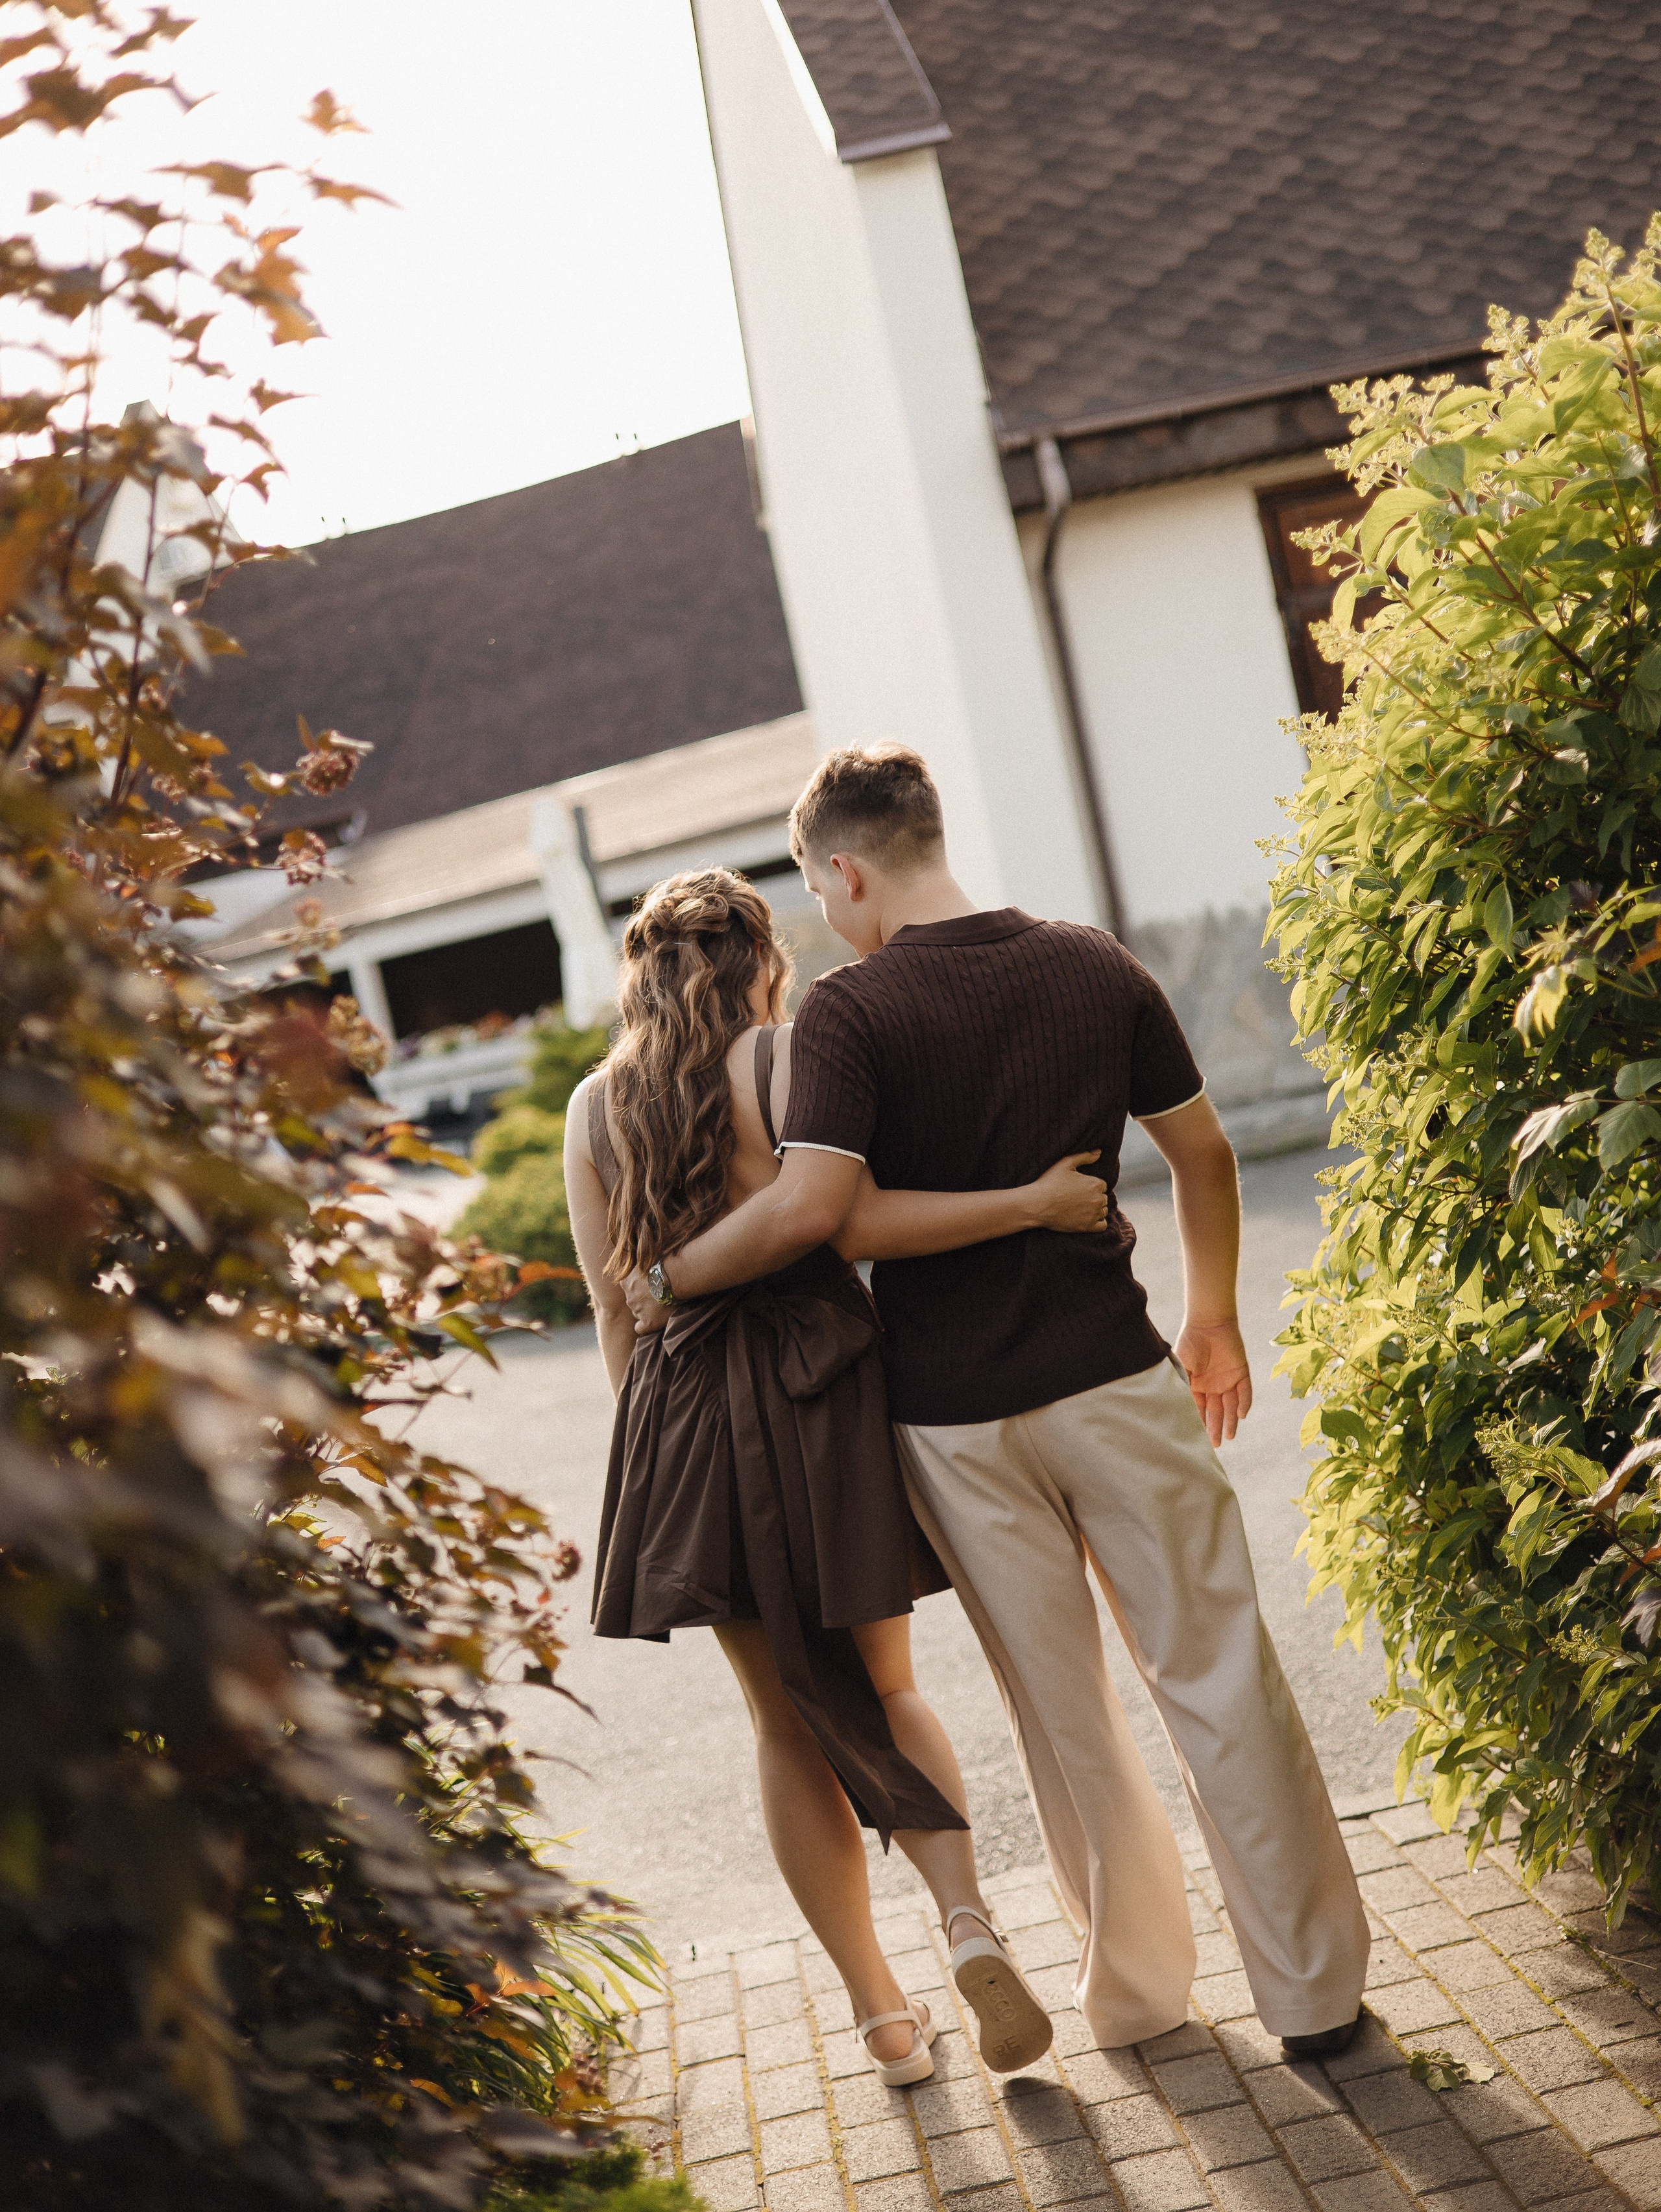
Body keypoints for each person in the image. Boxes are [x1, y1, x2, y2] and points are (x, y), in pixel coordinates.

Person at [625, 747, 1371, 2058]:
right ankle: (1311, 1999)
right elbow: (1200, 1152)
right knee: (1219, 1674)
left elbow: (828, 1215)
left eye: (817, 886)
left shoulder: (852, 1015)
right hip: (1116, 1376)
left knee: (1059, 1708)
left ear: (843, 869)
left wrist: (668, 1275)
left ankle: (1137, 1999)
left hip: (952, 1420)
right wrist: (1210, 1317)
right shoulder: (1094, 964)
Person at [564, 867, 1111, 2086]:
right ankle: (968, 1917)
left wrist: (653, 1467)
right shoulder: (788, 1058)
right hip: (823, 1392)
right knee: (888, 1684)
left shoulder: (592, 1106)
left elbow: (615, 1311)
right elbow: (849, 1218)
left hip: (688, 1416)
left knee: (781, 1720)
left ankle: (881, 2015)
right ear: (758, 959)